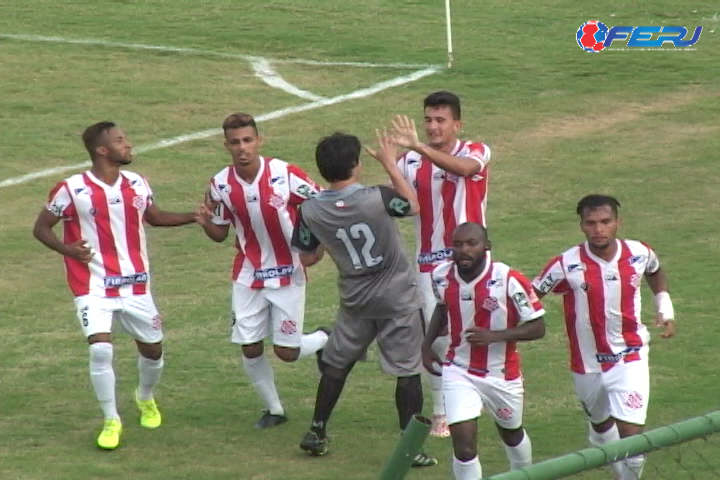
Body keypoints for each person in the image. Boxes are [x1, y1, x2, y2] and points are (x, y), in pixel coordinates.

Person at [32, 121, 197, 450]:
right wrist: (69, 251)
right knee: (101, 348)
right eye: (121, 141)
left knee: (152, 349)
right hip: (92, 286)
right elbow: (41, 228)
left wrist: (195, 216)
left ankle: (145, 397)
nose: (129, 145)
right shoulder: (72, 189)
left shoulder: (137, 183)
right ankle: (111, 419)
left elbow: (155, 217)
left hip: (136, 287)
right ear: (102, 150)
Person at [291, 131, 437, 467]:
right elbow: (412, 205)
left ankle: (317, 429)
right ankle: (409, 447)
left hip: (355, 300)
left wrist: (333, 241)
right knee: (407, 370)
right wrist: (390, 163)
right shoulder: (377, 197)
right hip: (398, 298)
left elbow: (308, 256)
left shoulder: (310, 210)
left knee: (337, 364)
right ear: (356, 164)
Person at [194, 112, 329, 429]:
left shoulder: (285, 174)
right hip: (247, 274)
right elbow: (220, 233)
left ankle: (326, 338)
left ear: (259, 141)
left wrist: (317, 251)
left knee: (287, 352)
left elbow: (325, 207)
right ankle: (274, 410)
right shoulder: (220, 185)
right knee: (250, 345)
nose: (242, 148)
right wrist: (204, 223)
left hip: (288, 273)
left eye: (248, 140)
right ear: (226, 145)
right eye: (235, 142)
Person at [531, 194, 677, 480]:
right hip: (587, 363)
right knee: (600, 426)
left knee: (632, 438)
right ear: (582, 226)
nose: (599, 229)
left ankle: (628, 475)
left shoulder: (639, 253)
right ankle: (604, 444)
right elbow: (532, 295)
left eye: (605, 222)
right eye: (591, 223)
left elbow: (655, 271)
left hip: (630, 354)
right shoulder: (564, 264)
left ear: (617, 223)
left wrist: (665, 307)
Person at [392, 90, 493, 437]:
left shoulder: (475, 151)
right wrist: (391, 163)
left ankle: (483, 391)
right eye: (428, 120)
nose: (432, 126)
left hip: (475, 263)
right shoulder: (410, 161)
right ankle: (442, 411)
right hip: (429, 263)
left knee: (478, 331)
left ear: (457, 124)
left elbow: (464, 170)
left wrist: (420, 147)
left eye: (440, 120)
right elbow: (408, 206)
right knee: (437, 338)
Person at [423, 222, 545, 479]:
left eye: (471, 244)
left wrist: (494, 336)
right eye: (457, 245)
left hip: (501, 375)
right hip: (458, 369)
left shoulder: (509, 279)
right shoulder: (441, 276)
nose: (464, 250)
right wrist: (426, 344)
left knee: (511, 433)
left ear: (486, 246)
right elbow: (442, 307)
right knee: (464, 448)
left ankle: (523, 473)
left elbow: (538, 327)